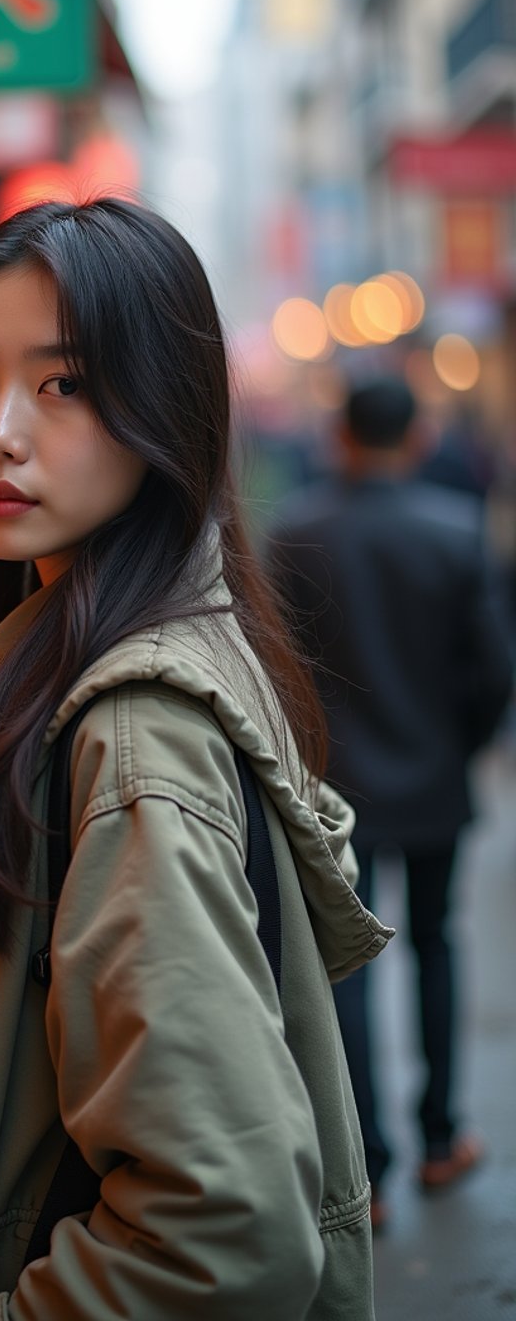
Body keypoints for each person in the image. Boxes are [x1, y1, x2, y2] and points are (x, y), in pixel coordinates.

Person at [0, 199, 391, 1321]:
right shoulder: (89, 656)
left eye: (63, 385)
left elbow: (222, 1241)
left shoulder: (129, 740)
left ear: (161, 412)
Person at [266, 376, 513, 1229]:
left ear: (339, 436)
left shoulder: (293, 534)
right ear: (415, 436)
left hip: (337, 786)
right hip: (436, 779)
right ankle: (442, 1138)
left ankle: (361, 1165)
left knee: (345, 970)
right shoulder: (455, 532)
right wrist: (462, 750)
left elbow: (276, 671)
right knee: (438, 944)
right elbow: (494, 672)